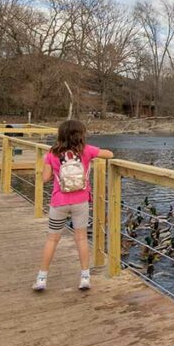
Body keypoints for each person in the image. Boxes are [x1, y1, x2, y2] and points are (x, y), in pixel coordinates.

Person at [33, 119, 113, 292]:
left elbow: (45, 178)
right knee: (81, 238)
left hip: (59, 202)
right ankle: (85, 277)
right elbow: (109, 154)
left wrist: (46, 163)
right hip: (80, 202)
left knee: (52, 239)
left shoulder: (51, 153)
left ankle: (42, 278)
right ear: (80, 135)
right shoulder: (86, 151)